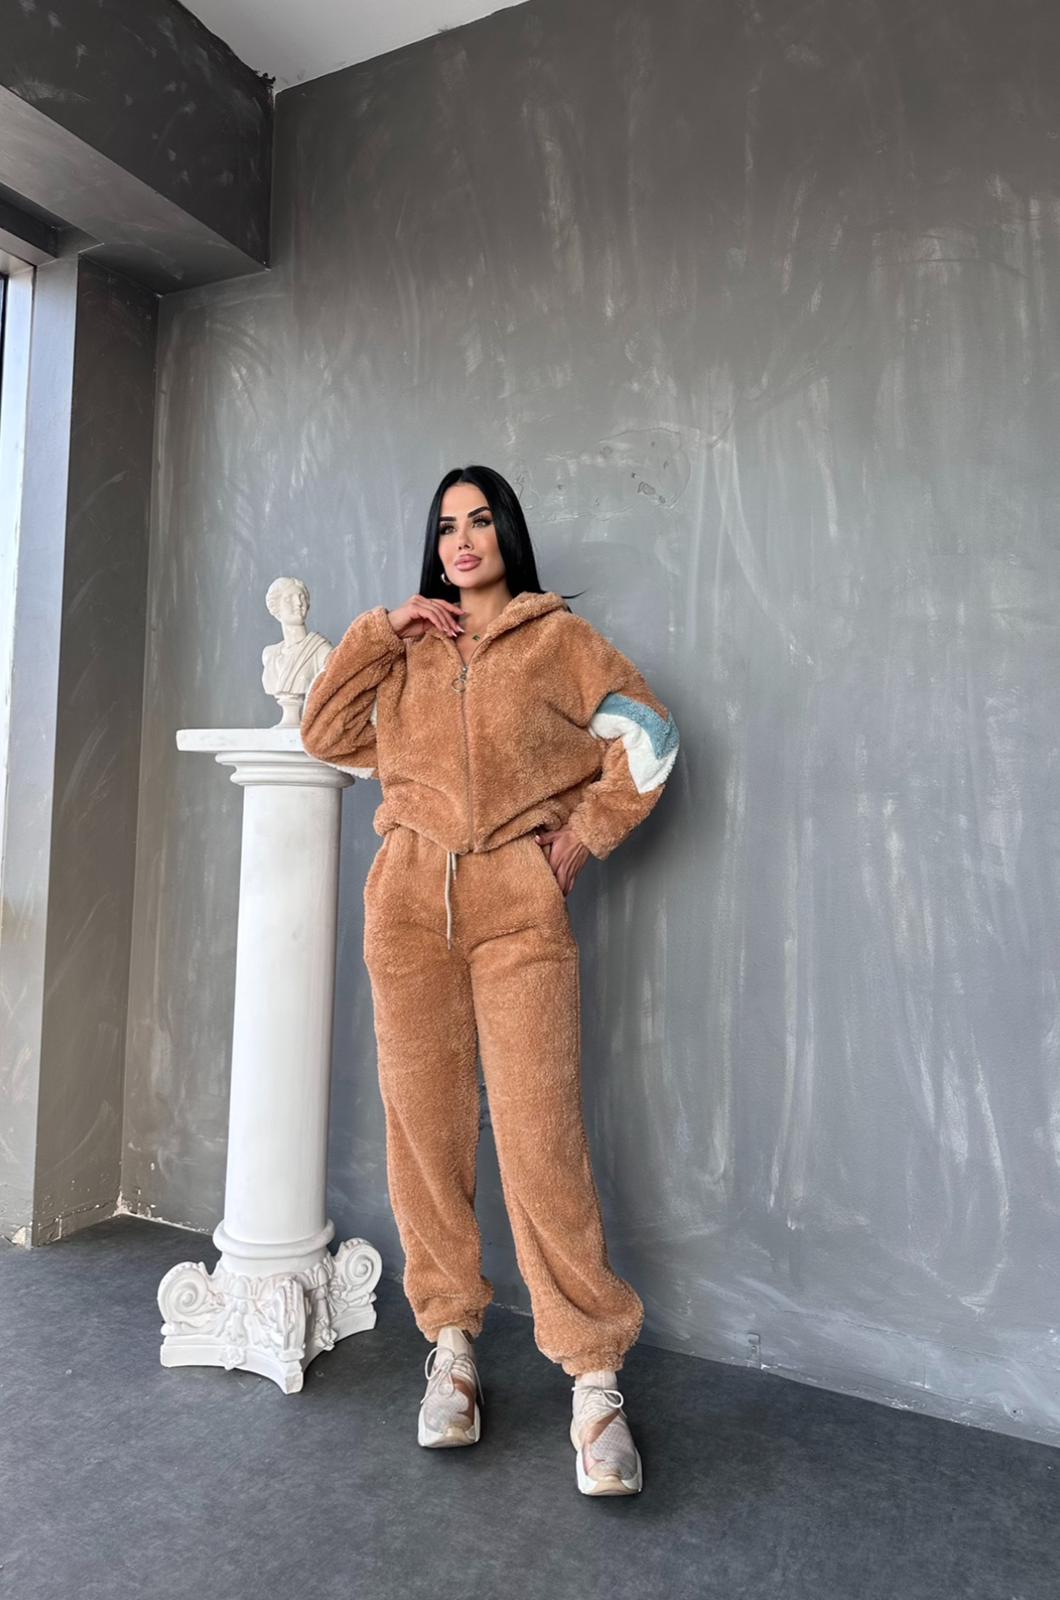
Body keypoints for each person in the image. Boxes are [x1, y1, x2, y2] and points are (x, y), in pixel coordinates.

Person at [300, 465, 680, 1496]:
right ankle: (452, 1348)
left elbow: (650, 737)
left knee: (539, 1133)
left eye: (478, 521)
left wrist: (583, 835)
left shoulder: (558, 641)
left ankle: (593, 1381)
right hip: (408, 905)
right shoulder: (408, 648)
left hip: (518, 908)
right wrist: (382, 629)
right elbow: (325, 733)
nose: (462, 539)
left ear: (506, 532)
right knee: (424, 1130)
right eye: (445, 526)